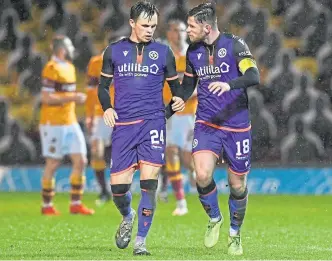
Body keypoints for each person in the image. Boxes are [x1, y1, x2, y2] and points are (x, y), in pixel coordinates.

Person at [166, 2, 260, 255]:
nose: (188, 30)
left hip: (237, 125)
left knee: (237, 185)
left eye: (192, 26)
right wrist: (176, 102)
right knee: (203, 175)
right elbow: (188, 84)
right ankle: (215, 218)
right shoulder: (193, 52)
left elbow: (254, 76)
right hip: (207, 123)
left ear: (207, 27)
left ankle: (234, 234)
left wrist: (229, 85)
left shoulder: (235, 45)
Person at [98, 1, 185, 256]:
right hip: (123, 126)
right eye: (145, 25)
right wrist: (107, 108)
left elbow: (175, 90)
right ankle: (128, 215)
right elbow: (102, 87)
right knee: (118, 190)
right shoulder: (113, 51)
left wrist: (171, 107)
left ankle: (141, 242)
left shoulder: (164, 52)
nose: (150, 30)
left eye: (154, 26)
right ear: (132, 23)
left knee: (149, 183)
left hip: (152, 126)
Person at [39, 35, 95, 215]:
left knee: (81, 160)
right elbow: (47, 98)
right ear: (62, 49)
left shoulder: (69, 67)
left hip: (70, 121)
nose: (72, 49)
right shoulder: (51, 68)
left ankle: (75, 203)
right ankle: (47, 206)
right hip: (53, 123)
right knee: (53, 162)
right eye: (70, 46)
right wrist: (73, 97)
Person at [160, 19, 197, 216]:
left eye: (183, 30)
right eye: (176, 30)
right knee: (171, 152)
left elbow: (202, 85)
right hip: (170, 112)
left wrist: (184, 95)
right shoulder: (164, 56)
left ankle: (192, 172)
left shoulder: (194, 55)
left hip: (190, 113)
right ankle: (181, 202)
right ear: (169, 34)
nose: (180, 33)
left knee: (187, 157)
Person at [85, 43, 114, 206]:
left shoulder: (132, 63)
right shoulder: (96, 63)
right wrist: (89, 116)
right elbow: (90, 91)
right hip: (101, 113)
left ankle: (120, 189)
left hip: (124, 114)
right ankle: (103, 191)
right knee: (97, 151)